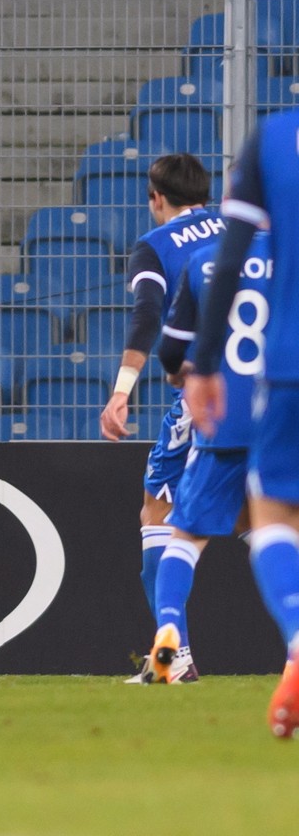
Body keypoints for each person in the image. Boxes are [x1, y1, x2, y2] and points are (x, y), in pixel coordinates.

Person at [184, 110, 299, 737]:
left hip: (287, 366)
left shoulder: (275, 138)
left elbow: (228, 262)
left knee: (273, 513)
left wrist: (204, 364)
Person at [98, 153, 224, 684]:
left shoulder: (157, 247)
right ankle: (170, 658)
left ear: (155, 198)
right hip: (275, 383)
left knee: (160, 513)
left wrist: (121, 391)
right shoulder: (246, 229)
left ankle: (175, 656)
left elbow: (149, 315)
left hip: (208, 390)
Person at [143, 234, 268, 683]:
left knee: (186, 537)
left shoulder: (204, 261)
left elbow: (172, 353)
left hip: (222, 418)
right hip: (282, 418)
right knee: (276, 532)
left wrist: (183, 372)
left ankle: (170, 634)